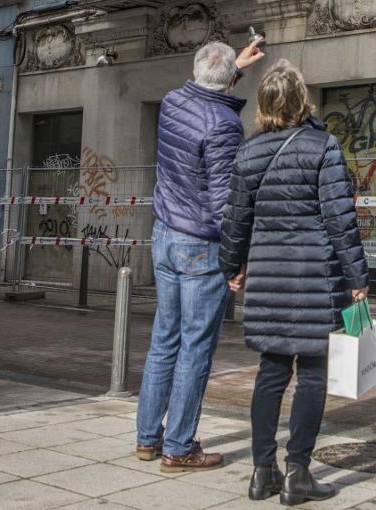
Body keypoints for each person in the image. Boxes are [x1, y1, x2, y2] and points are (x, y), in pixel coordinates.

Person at [220, 60, 369, 505]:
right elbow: (340, 221)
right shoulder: (323, 147)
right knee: (312, 373)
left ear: (264, 105)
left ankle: (262, 471)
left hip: (267, 277)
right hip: (314, 277)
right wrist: (358, 277)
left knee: (271, 371)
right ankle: (298, 472)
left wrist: (232, 267)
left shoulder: (247, 153)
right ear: (302, 101)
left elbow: (235, 221)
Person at [136, 37, 265, 474]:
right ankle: (179, 446)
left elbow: (202, 87)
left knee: (164, 339)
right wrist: (236, 257)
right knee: (195, 347)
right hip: (200, 245)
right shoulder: (223, 124)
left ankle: (148, 437)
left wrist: (235, 68)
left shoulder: (173, 102)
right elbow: (224, 201)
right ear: (227, 80)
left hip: (165, 235)